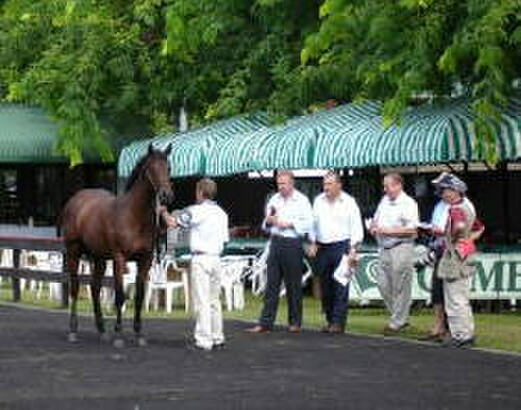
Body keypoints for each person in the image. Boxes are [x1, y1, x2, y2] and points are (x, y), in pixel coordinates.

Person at [162, 178, 229, 351]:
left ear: (200, 192)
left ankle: (203, 340)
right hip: (216, 258)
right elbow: (226, 240)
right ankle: (217, 337)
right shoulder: (222, 213)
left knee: (202, 301)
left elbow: (172, 223)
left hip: (201, 258)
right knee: (215, 300)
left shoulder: (195, 210)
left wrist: (162, 211)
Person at [247, 170, 313, 333]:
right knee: (271, 284)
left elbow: (308, 224)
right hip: (275, 242)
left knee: (293, 285)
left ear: (292, 183)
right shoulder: (274, 199)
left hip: (292, 242)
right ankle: (265, 323)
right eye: (279, 184)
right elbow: (265, 224)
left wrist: (289, 224)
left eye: (284, 183)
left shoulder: (302, 200)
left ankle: (295, 322)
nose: (281, 187)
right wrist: (269, 221)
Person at [422, 173, 484, 342]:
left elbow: (458, 226)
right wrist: (466, 240)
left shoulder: (456, 208)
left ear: (453, 190)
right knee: (460, 296)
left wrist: (453, 239)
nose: (441, 194)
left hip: (454, 254)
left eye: (444, 190)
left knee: (454, 297)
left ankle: (461, 335)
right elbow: (479, 227)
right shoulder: (468, 205)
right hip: (464, 252)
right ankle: (466, 332)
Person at [307, 171, 364, 333]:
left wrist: (353, 250)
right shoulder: (318, 201)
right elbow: (313, 224)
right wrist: (313, 241)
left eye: (330, 184)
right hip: (323, 247)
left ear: (339, 185)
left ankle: (338, 322)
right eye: (325, 184)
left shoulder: (349, 202)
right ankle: (330, 319)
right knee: (326, 287)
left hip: (343, 246)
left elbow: (356, 228)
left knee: (341, 285)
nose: (326, 187)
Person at [370, 173, 419, 334]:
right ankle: (400, 318)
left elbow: (412, 229)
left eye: (388, 186)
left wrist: (389, 231)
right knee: (382, 284)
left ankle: (398, 322)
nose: (385, 190)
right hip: (384, 248)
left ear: (398, 185)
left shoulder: (408, 203)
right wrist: (373, 227)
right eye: (384, 186)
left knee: (400, 286)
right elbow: (376, 220)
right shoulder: (384, 201)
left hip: (401, 246)